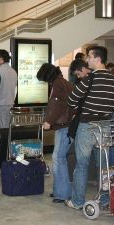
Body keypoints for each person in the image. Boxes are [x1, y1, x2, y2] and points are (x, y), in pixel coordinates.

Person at [66, 46, 114, 209]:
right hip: (105, 126)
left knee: (82, 165)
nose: (87, 60)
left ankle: (77, 201)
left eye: (89, 57)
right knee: (104, 166)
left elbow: (71, 100)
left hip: (87, 126)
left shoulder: (90, 79)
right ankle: (105, 199)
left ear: (98, 59)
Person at [36, 63, 74, 204]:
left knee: (58, 158)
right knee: (59, 158)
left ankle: (62, 193)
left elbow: (56, 104)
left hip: (64, 126)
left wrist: (49, 121)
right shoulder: (64, 82)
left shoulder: (57, 84)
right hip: (67, 125)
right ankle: (59, 190)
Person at [0, 49, 18, 131]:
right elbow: (15, 90)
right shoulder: (13, 72)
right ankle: (6, 144)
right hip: (10, 105)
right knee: (6, 128)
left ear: (1, 59)